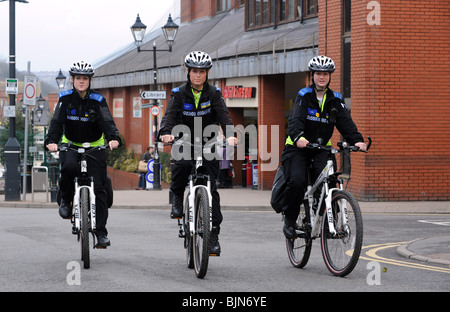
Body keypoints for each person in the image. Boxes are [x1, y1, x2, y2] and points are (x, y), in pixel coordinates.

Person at [159, 51, 237, 255]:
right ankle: (177, 196)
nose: (198, 75)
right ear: (188, 72)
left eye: (202, 72)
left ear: (207, 73)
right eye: (194, 71)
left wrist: (230, 135)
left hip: (208, 141)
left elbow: (224, 116)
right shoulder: (178, 93)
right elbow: (169, 117)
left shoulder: (214, 94)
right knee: (183, 165)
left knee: (211, 189)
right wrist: (166, 133)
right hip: (183, 139)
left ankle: (213, 236)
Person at [281, 55, 367, 238]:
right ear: (312, 75)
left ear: (330, 76)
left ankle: (328, 222)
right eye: (318, 73)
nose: (322, 77)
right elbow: (295, 120)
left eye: (326, 74)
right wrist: (298, 137)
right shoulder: (303, 96)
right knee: (297, 181)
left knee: (330, 181)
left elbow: (346, 123)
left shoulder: (335, 99)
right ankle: (289, 219)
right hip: (297, 148)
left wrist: (357, 140)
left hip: (321, 149)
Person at [45, 60, 121, 247]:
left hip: (94, 146)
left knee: (99, 187)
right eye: (78, 78)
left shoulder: (98, 100)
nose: (81, 81)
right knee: (69, 167)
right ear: (72, 79)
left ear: (89, 81)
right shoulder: (64, 99)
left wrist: (113, 138)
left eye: (84, 78)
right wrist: (52, 141)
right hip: (70, 144)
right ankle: (66, 200)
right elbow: (56, 123)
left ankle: (101, 233)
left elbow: (107, 122)